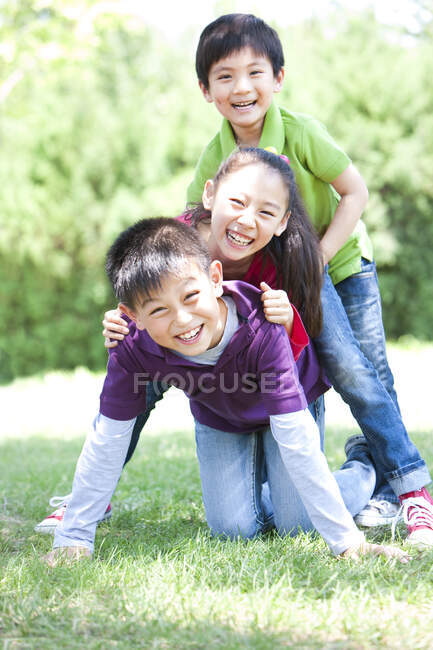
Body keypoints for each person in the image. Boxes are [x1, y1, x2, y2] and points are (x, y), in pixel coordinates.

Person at [44, 217, 409, 566]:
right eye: (159, 310)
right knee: (234, 530)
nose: (183, 320)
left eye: (190, 297)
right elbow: (108, 438)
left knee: (298, 523)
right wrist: (74, 537)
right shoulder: (131, 345)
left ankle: (363, 464)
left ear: (214, 278)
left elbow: (295, 437)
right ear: (132, 315)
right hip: (221, 416)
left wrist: (346, 542)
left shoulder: (260, 328)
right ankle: (285, 496)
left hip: (286, 408)